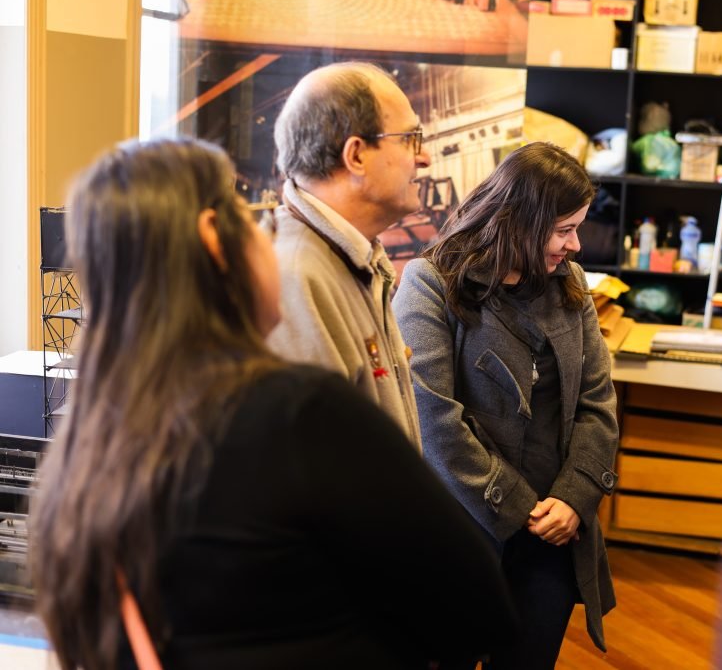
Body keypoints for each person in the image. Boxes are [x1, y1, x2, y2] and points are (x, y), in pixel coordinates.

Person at [29, 138, 516, 670]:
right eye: (256, 221)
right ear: (215, 240)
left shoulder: (80, 453)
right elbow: (478, 608)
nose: (271, 237)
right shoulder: (302, 414)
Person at [394, 142, 619, 668]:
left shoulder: (570, 284)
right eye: (564, 230)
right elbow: (433, 419)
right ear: (519, 221)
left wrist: (575, 496)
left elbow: (597, 401)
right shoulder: (430, 284)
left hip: (552, 535)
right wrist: (520, 508)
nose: (576, 245)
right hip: (460, 538)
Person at [267, 62, 428, 449]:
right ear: (356, 155)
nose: (423, 159)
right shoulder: (295, 278)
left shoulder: (351, 257)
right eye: (410, 138)